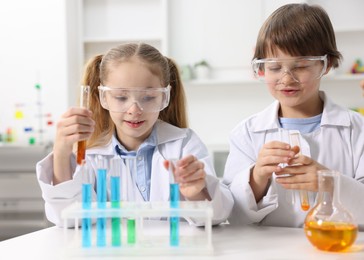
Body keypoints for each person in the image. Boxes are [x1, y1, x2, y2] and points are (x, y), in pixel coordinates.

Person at [36, 42, 233, 227]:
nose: (134, 110)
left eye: (148, 97)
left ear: (165, 96)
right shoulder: (88, 152)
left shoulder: (184, 144)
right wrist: (61, 152)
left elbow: (216, 216)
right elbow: (70, 218)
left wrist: (196, 193)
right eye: (121, 97)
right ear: (103, 97)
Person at [223, 3, 364, 229]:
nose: (287, 79)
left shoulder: (357, 129)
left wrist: (329, 182)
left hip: (337, 249)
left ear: (325, 65)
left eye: (300, 66)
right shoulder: (247, 133)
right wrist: (257, 178)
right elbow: (233, 216)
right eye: (275, 67)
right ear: (261, 69)